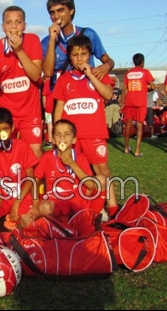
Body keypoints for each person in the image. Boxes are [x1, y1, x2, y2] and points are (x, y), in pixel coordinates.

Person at [52, 34, 119, 217]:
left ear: (90, 55)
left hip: (94, 133)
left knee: (102, 170)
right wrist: (56, 133)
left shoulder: (99, 74)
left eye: (83, 54)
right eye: (75, 55)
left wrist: (90, 75)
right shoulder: (64, 79)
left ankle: (112, 207)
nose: (79, 58)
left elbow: (108, 95)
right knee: (73, 171)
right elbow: (59, 107)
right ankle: (82, 206)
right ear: (70, 57)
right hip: (71, 136)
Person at [0, 6, 43, 158]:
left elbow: (36, 75)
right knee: (4, 154)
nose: (14, 26)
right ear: (3, 27)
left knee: (35, 152)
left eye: (18, 22)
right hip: (5, 112)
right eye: (9, 22)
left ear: (24, 25)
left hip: (29, 112)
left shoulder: (32, 40)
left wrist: (19, 50)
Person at [37, 119, 109, 222]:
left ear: (74, 140)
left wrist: (72, 164)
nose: (62, 138)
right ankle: (61, 223)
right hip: (56, 199)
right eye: (58, 134)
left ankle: (92, 217)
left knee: (101, 180)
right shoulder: (47, 157)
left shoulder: (80, 157)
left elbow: (90, 185)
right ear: (53, 139)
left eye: (67, 134)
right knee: (44, 207)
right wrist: (36, 202)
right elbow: (35, 180)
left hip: (77, 198)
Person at [41, 0, 114, 87]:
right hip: (59, 93)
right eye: (52, 13)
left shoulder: (88, 34)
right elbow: (47, 73)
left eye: (60, 10)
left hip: (85, 91)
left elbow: (109, 61)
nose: (56, 16)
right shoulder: (46, 42)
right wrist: (52, 40)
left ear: (71, 11)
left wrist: (105, 67)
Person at [0, 108, 40, 230]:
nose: (2, 133)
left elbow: (30, 178)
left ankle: (13, 221)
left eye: (5, 129)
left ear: (12, 128)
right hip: (1, 196)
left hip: (20, 196)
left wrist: (16, 203)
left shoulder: (22, 146)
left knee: (29, 225)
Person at [119, 53, 155, 157]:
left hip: (129, 101)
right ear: (142, 62)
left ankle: (126, 148)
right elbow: (152, 86)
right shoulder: (145, 72)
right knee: (139, 125)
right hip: (141, 102)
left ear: (133, 62)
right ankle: (137, 151)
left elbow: (124, 89)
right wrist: (145, 87)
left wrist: (122, 103)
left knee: (128, 124)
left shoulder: (128, 73)